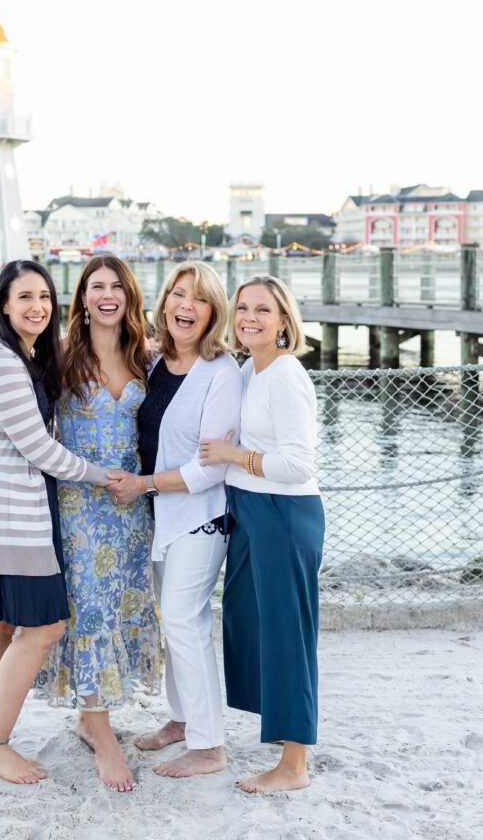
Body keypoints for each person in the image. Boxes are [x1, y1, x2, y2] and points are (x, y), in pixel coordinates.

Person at [0, 260, 111, 786]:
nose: (37, 307)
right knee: (45, 626)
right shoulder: (2, 361)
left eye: (45, 297)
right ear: (3, 304)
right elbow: (38, 447)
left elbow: (4, 434)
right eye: (24, 297)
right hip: (8, 518)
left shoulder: (21, 354)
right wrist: (103, 475)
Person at [109, 260, 242, 779]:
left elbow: (209, 469)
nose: (186, 306)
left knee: (186, 621)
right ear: (164, 302)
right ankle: (183, 719)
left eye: (200, 298)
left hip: (199, 518)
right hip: (160, 520)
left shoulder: (222, 373)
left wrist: (143, 484)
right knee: (174, 621)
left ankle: (210, 747)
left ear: (214, 312)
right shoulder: (154, 360)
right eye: (178, 295)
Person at [38, 255, 161, 792]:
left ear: (128, 296)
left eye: (117, 286)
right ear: (82, 299)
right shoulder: (60, 358)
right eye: (96, 287)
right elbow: (21, 417)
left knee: (117, 607)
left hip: (131, 507)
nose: (107, 294)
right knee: (88, 609)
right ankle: (105, 742)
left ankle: (90, 720)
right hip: (79, 506)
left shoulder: (147, 358)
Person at [199, 275, 325, 794]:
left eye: (262, 311)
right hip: (250, 510)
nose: (249, 317)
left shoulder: (287, 375)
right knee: (249, 626)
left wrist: (231, 455)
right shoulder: (251, 368)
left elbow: (298, 464)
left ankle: (294, 765)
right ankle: (280, 728)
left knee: (287, 636)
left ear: (283, 322)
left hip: (284, 514)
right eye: (243, 308)